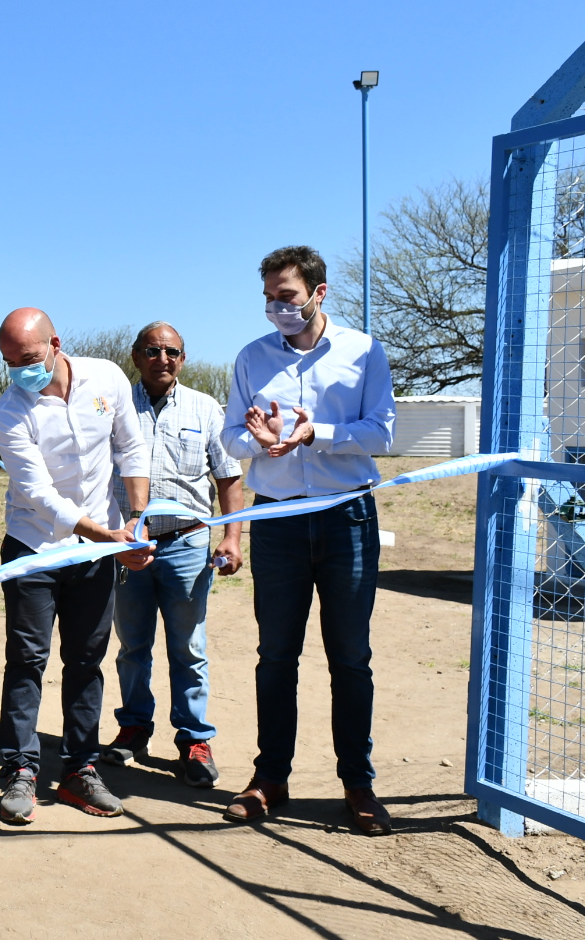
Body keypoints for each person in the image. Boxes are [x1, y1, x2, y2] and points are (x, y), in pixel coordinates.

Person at [220, 245, 396, 835]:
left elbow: (381, 432)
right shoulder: (251, 358)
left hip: (347, 516)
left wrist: (312, 434)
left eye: (287, 297)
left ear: (319, 293)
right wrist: (263, 440)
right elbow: (231, 440)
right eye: (269, 298)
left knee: (350, 657)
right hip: (277, 522)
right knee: (276, 657)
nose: (276, 309)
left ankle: (358, 784)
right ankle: (270, 778)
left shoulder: (363, 351)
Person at [0, 308, 152, 824]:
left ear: (56, 344)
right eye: (11, 363)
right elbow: (36, 493)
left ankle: (80, 771)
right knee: (27, 660)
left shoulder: (106, 376)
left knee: (87, 661)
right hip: (34, 547)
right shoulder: (9, 411)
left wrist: (136, 522)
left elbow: (131, 446)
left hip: (96, 549)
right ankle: (20, 771)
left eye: (31, 358)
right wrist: (101, 533)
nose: (21, 371)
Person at [105, 321, 244, 788]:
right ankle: (133, 728)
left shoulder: (205, 409)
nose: (162, 358)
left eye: (172, 351)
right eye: (152, 350)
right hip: (131, 549)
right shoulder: (112, 407)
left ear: (182, 359)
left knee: (189, 648)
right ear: (135, 356)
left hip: (187, 545)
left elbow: (227, 476)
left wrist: (231, 537)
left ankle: (194, 740)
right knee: (132, 646)